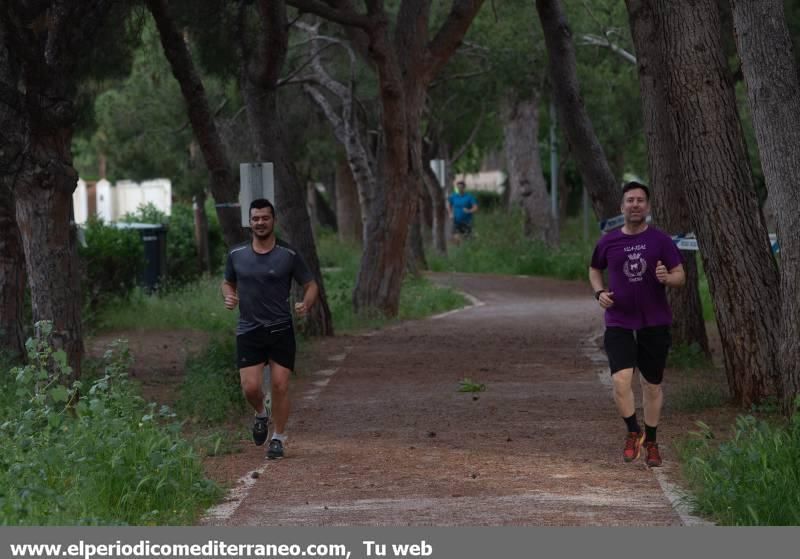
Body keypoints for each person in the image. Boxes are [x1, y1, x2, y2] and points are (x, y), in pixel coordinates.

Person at [588, 181, 685, 467]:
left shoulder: (660, 241)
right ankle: (633, 432)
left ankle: (652, 440)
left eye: (640, 200)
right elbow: (595, 268)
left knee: (651, 385)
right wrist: (599, 293)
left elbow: (680, 275)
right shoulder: (608, 241)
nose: (635, 205)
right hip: (619, 320)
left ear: (648, 206)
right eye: (630, 200)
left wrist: (668, 278)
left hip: (654, 321)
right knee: (620, 381)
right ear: (622, 207)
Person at [222, 198, 318, 459]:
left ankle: (278, 438)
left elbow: (310, 285)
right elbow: (228, 283)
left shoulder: (288, 254)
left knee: (280, 385)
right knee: (251, 388)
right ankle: (261, 414)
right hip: (249, 330)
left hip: (280, 329)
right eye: (255, 218)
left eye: (265, 218)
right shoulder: (236, 254)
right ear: (249, 222)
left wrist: (306, 304)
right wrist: (229, 296)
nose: (260, 222)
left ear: (273, 220)